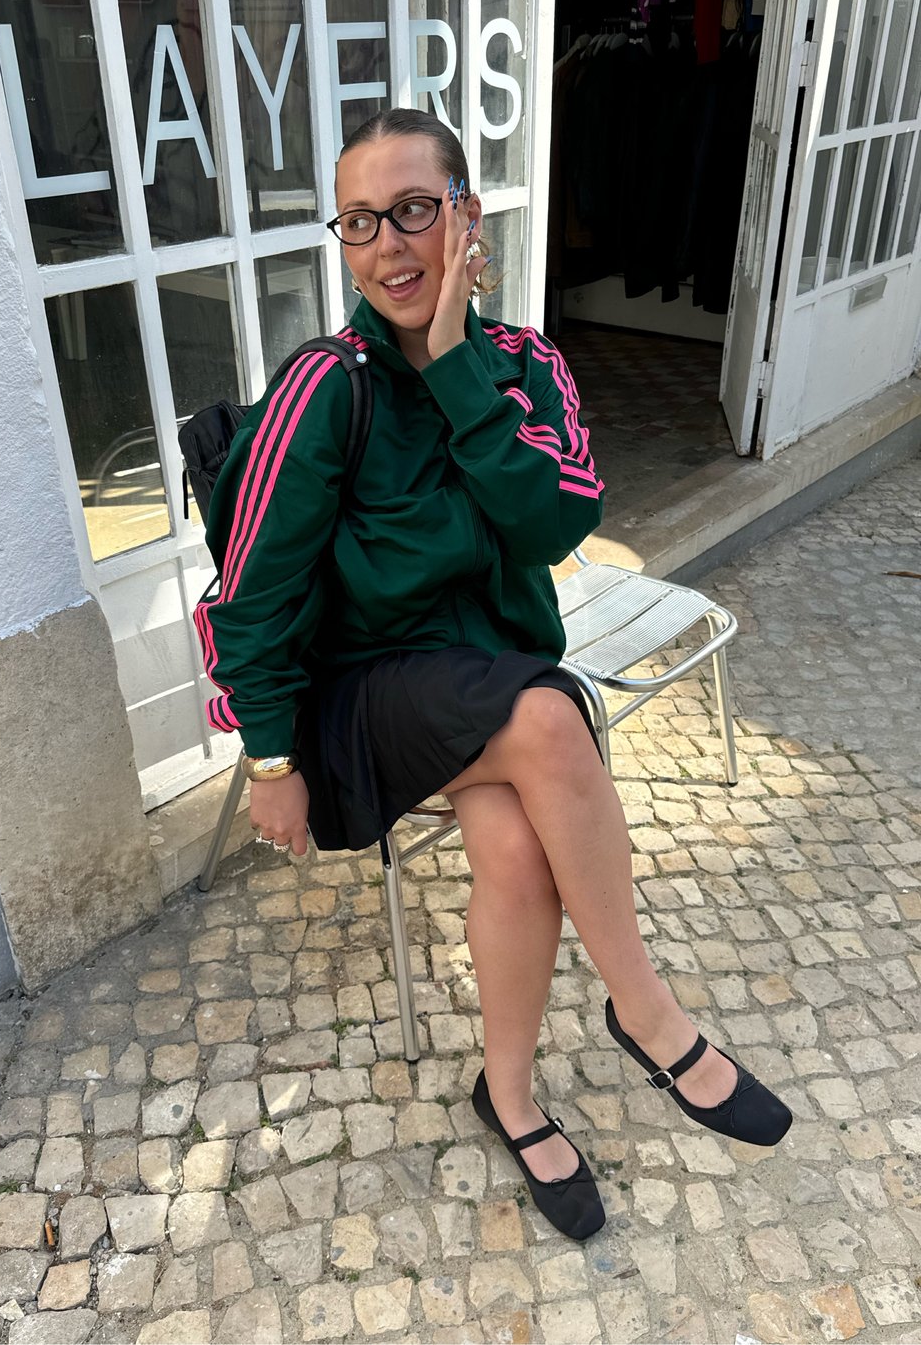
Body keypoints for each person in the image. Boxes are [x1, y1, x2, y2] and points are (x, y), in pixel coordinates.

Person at [194, 107, 791, 1241]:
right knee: (551, 719)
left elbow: (554, 520)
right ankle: (648, 1014)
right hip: (364, 696)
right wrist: (268, 756)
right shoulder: (326, 386)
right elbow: (251, 593)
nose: (389, 245)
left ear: (466, 217)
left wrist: (457, 365)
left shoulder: (523, 365)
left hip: (484, 680)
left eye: (414, 210)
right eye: (360, 221)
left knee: (516, 846)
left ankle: (507, 1098)